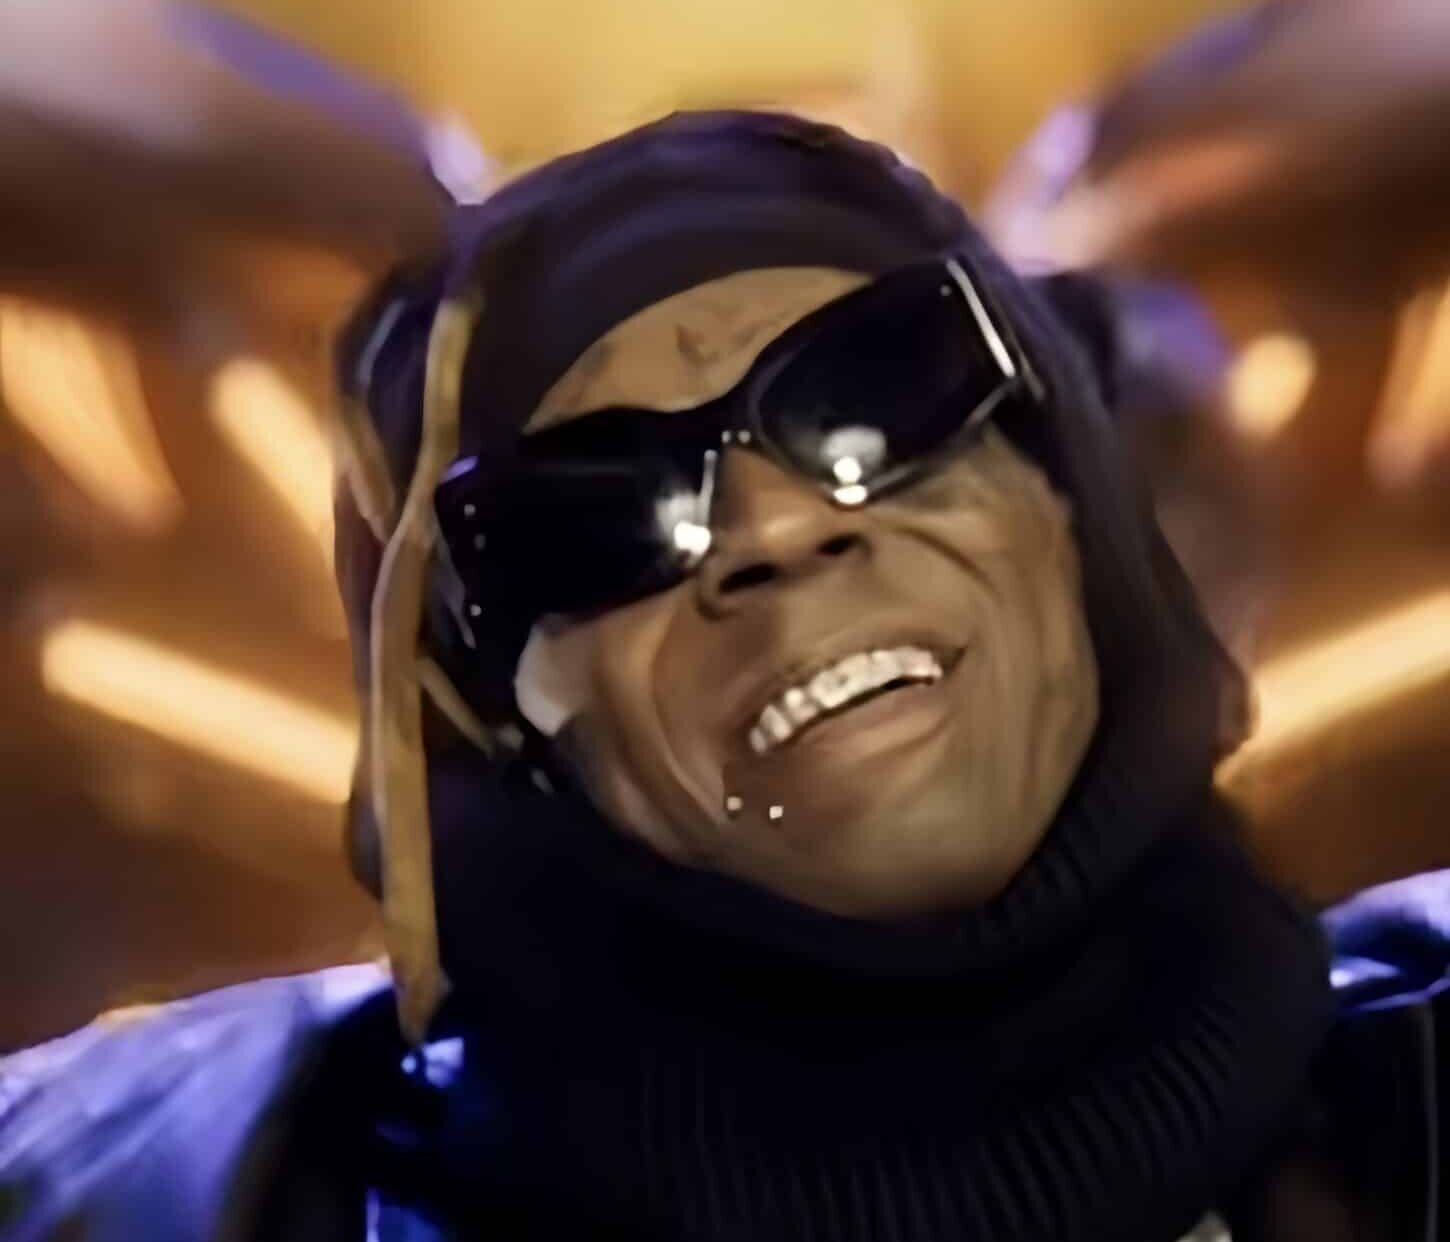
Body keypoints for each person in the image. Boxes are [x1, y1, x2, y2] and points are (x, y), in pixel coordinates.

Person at [2, 108, 1446, 1242]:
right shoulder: (170, 1193)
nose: (774, 529)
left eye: (880, 389)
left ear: (1074, 506)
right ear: (500, 721)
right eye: (599, 507)